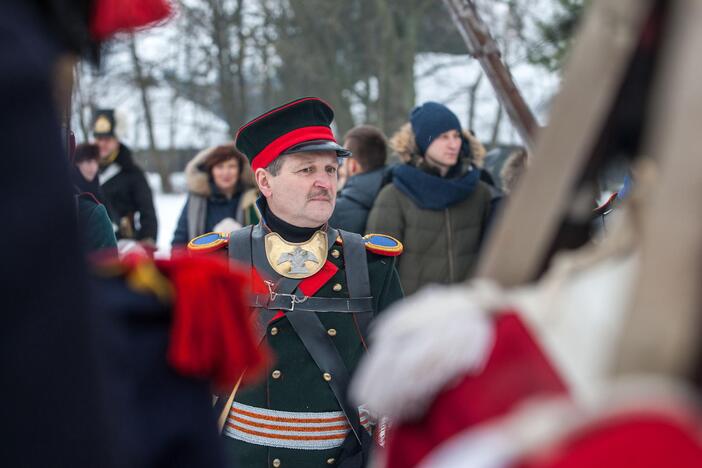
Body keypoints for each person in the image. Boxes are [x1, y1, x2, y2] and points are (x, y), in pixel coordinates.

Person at [190, 97, 404, 468]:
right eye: (306, 170)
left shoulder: (373, 266)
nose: (324, 182)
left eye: (330, 169)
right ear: (264, 181)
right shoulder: (219, 264)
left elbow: (401, 383)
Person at [366, 102, 493, 296]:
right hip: (415, 317)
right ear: (424, 141)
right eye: (443, 137)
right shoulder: (394, 195)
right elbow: (377, 271)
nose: (453, 144)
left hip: (469, 313)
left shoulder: (479, 192)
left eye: (456, 135)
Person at [171, 144, 259, 246]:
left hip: (242, 261)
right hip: (203, 260)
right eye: (219, 167)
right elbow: (180, 239)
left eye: (231, 166)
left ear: (240, 170)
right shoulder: (196, 199)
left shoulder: (252, 198)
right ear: (211, 171)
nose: (226, 172)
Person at [93, 109, 158, 245]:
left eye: (107, 139)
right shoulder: (86, 170)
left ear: (117, 139)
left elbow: (148, 213)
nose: (102, 144)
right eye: (99, 139)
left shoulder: (133, 173)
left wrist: (147, 242)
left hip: (123, 244)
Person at [328, 125, 389, 234]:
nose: (340, 168)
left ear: (353, 165)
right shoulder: (396, 196)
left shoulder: (333, 212)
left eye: (343, 161)